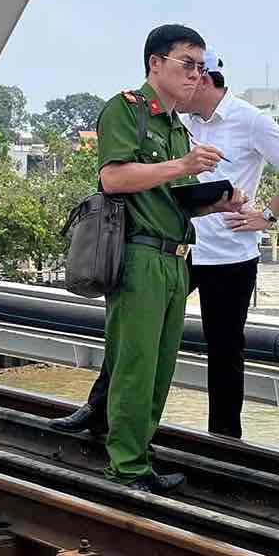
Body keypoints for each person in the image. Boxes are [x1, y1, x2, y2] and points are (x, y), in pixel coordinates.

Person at [52, 48, 279, 441]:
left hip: (229, 253)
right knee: (134, 332)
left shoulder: (250, 120)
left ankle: (224, 438)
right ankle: (99, 411)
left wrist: (268, 215)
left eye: (193, 72)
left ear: (205, 79)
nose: (184, 83)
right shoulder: (175, 120)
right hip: (178, 247)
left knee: (225, 348)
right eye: (183, 68)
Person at [87, 25, 244, 492]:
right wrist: (185, 165)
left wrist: (219, 203)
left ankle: (139, 453)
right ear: (155, 63)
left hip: (176, 255)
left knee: (159, 366)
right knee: (135, 363)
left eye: (201, 67)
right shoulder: (127, 110)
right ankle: (126, 466)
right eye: (187, 64)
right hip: (140, 253)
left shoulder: (176, 126)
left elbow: (175, 199)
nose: (196, 75)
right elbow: (114, 178)